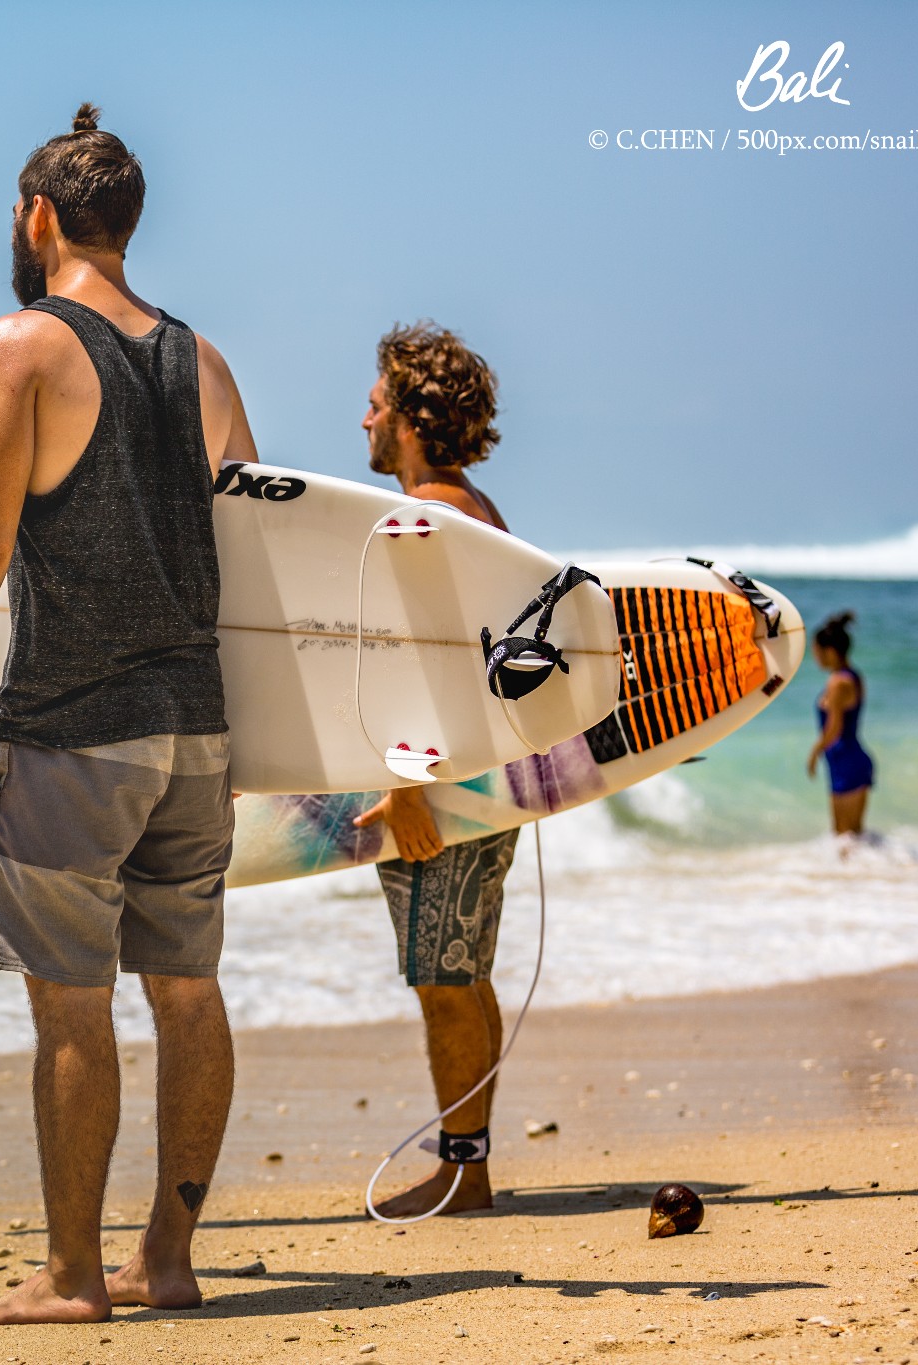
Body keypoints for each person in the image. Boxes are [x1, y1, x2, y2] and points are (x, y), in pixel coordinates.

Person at [0, 103, 259, 1325]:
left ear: (38, 217)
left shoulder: (21, 344)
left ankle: (72, 1275)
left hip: (70, 725)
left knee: (71, 1002)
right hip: (194, 728)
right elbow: (259, 555)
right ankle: (169, 1255)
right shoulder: (198, 358)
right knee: (188, 990)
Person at [349, 322, 518, 1218]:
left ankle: (464, 1173)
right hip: (480, 781)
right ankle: (469, 1164)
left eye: (375, 402)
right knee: (466, 972)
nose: (363, 417)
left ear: (411, 418)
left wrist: (405, 786)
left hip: (442, 791)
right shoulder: (477, 509)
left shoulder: (429, 520)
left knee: (445, 981)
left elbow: (436, 659)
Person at [806, 611, 872, 835]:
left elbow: (834, 728)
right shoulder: (853, 675)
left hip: (846, 761)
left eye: (816, 651)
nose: (814, 657)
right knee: (852, 836)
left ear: (830, 652)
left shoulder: (837, 683)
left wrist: (814, 752)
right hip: (849, 759)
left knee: (843, 835)